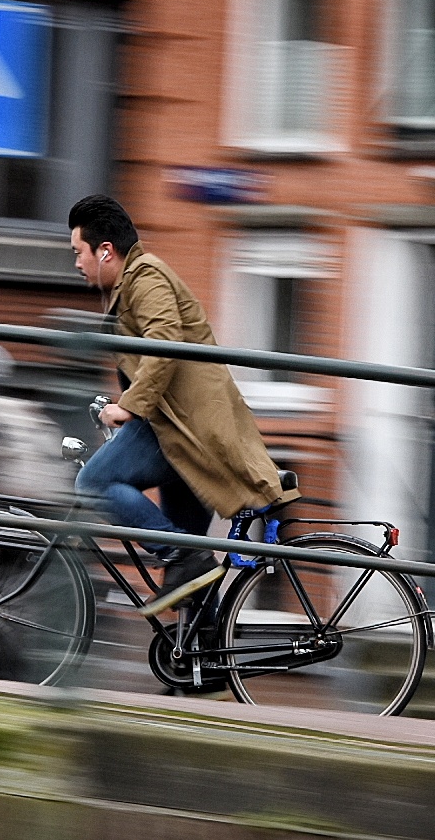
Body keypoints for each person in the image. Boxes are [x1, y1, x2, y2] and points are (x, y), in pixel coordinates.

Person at [67, 194, 297, 614]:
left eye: (79, 252)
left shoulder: (145, 276)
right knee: (191, 579)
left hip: (179, 430)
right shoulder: (129, 286)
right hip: (183, 433)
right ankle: (198, 667)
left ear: (105, 251)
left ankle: (180, 556)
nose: (77, 263)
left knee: (94, 484)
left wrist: (130, 407)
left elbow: (164, 339)